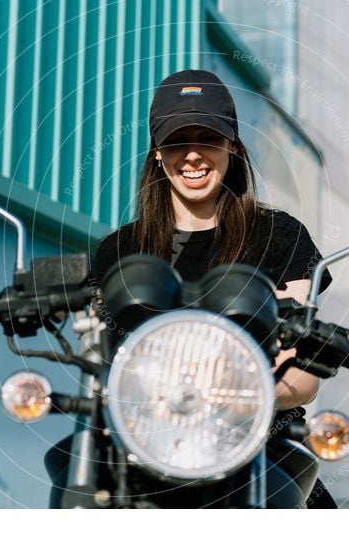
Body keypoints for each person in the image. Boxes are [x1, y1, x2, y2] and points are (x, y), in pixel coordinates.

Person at [93, 68, 332, 410]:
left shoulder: (281, 236)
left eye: (208, 138)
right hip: (146, 437)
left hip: (254, 439)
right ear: (157, 152)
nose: (192, 155)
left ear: (232, 146)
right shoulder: (117, 251)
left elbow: (302, 373)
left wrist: (230, 398)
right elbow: (99, 364)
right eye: (176, 140)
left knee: (290, 463)